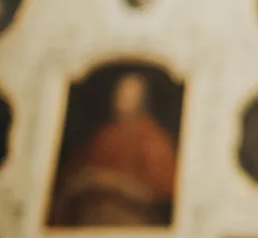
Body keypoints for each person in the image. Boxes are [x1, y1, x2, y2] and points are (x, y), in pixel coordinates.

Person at [49, 72, 177, 227]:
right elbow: (72, 179)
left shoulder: (153, 138)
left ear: (143, 99)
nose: (122, 100)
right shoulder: (103, 136)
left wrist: (107, 181)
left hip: (129, 221)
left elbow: (158, 194)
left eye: (130, 95)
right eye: (120, 94)